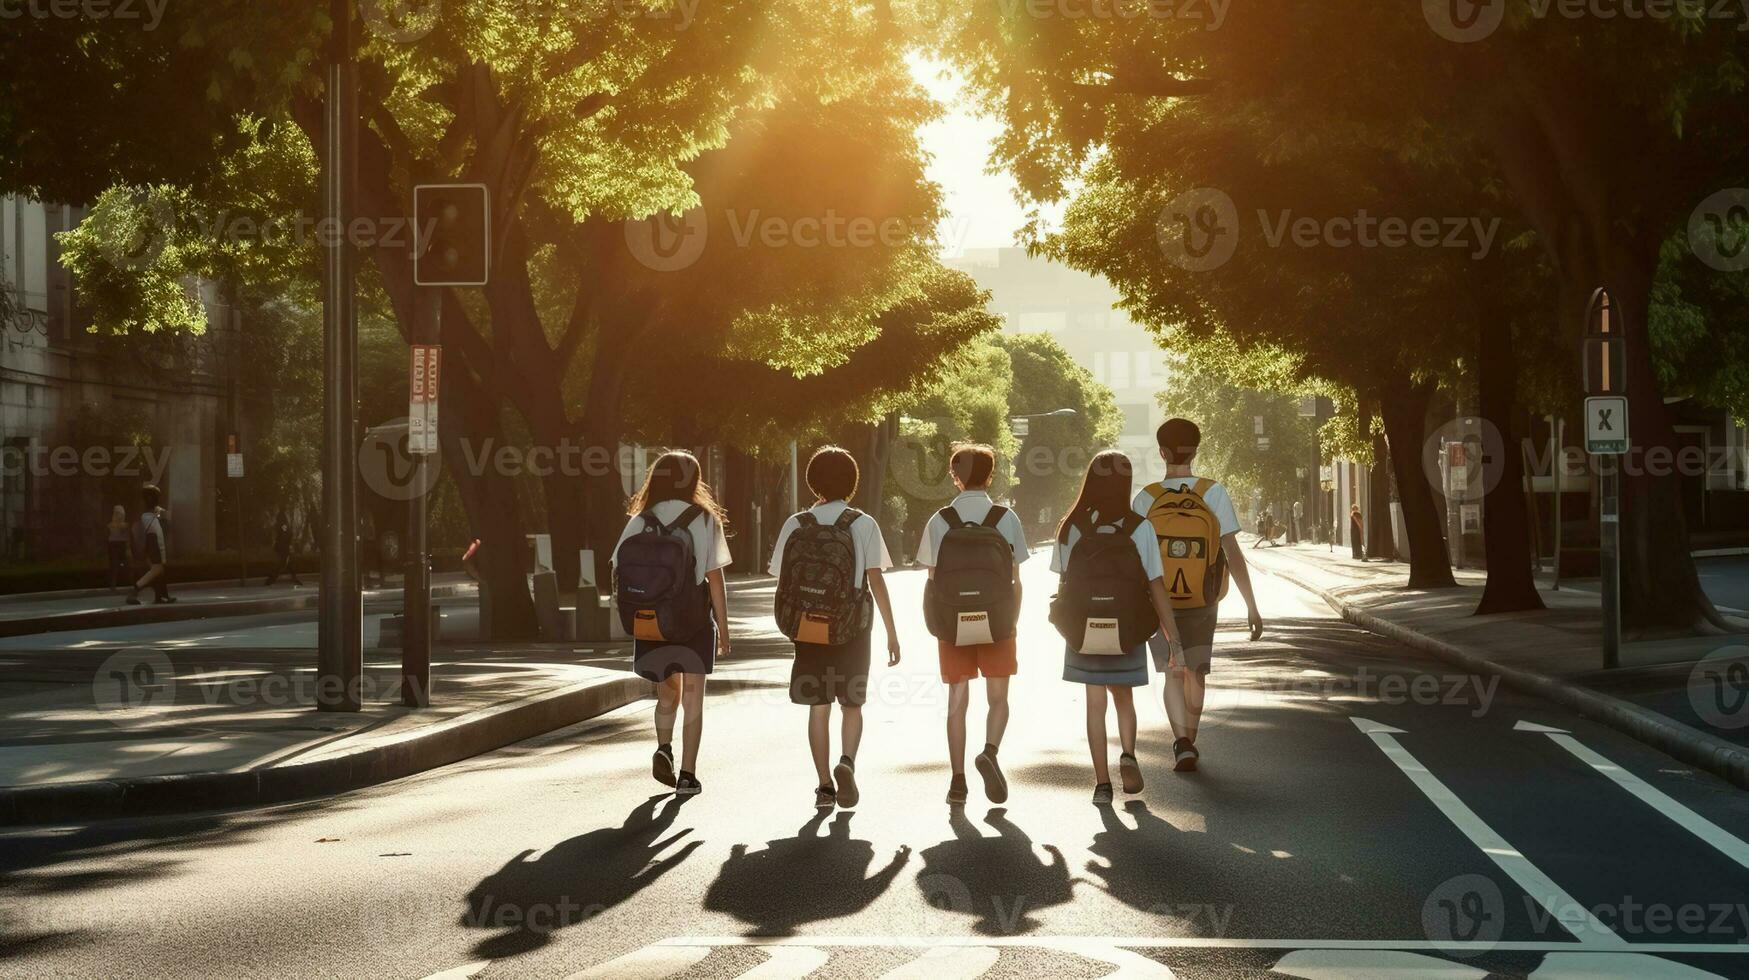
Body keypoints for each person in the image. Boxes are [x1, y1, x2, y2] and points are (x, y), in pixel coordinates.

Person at [768, 447, 902, 810]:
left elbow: (781, 580)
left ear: (812, 482)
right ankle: (847, 762)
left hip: (808, 628)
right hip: (852, 627)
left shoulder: (796, 524)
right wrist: (891, 633)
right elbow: (876, 581)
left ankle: (824, 785)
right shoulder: (863, 523)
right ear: (852, 482)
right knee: (852, 703)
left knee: (818, 704)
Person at [1050, 450, 1182, 804]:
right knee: (1123, 696)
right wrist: (1173, 641)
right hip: (1128, 627)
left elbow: (1063, 581)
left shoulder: (1071, 526)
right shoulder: (1140, 527)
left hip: (1083, 628)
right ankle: (1128, 753)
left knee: (1095, 703)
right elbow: (1156, 586)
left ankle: (1102, 785)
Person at [1136, 419, 1261, 772]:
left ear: (1162, 452)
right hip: (1203, 601)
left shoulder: (1146, 497)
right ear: (1196, 451)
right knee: (1196, 672)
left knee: (1172, 673)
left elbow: (1135, 558)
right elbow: (1232, 553)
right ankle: (1191, 737)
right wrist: (1252, 605)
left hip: (1158, 603)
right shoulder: (1213, 492)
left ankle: (1180, 742)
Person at [613, 450, 731, 798]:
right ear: (694, 481)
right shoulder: (704, 519)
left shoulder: (640, 519)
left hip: (650, 620)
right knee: (693, 699)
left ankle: (663, 748)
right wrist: (723, 628)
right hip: (692, 620)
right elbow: (714, 578)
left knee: (667, 694)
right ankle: (687, 776)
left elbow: (618, 568)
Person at [917, 442, 1029, 806]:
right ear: (990, 475)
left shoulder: (940, 520)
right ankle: (990, 752)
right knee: (999, 699)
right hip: (997, 620)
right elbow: (1016, 576)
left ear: (954, 476)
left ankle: (957, 780)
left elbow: (932, 577)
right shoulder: (1005, 518)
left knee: (957, 701)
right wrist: (1011, 619)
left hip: (952, 621)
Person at [127, 484, 175, 605]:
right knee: (156, 570)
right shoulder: (151, 516)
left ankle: (162, 596)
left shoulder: (150, 515)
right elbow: (157, 534)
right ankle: (134, 591)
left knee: (160, 573)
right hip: (155, 548)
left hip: (154, 547)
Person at [263, 512, 304, 587]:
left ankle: (270, 580)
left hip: (284, 551)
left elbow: (284, 540)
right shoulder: (284, 530)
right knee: (285, 566)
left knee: (282, 566)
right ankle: (294, 579)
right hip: (284, 551)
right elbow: (285, 540)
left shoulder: (283, 530)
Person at [106, 505, 130, 591]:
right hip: (113, 545)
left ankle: (127, 583)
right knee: (114, 565)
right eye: (116, 513)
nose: (118, 515)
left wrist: (127, 548)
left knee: (124, 564)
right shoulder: (110, 525)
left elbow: (127, 537)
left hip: (121, 545)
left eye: (120, 513)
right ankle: (113, 585)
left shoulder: (125, 525)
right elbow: (108, 536)